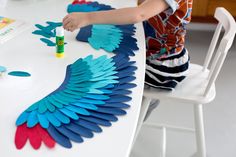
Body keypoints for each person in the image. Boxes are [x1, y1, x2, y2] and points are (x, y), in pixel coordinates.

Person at [63, 0, 193, 119]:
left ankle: (138, 112)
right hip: (152, 50)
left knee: (109, 82)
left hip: (162, 66)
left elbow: (139, 14)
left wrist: (88, 17)